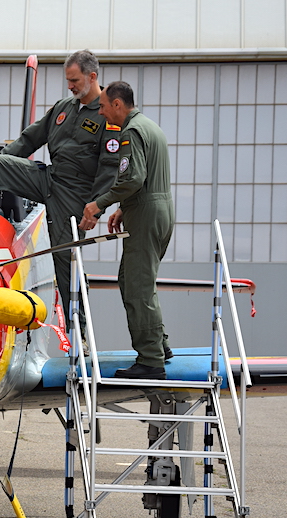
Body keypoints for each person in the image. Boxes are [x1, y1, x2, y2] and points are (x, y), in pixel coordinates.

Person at [0, 50, 119, 348]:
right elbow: (29, 140)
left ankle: (81, 334)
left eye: (74, 81)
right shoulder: (63, 108)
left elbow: (110, 169)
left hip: (75, 195)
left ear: (92, 77)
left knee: (65, 261)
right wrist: (0, 161)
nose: (70, 86)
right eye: (68, 81)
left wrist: (96, 208)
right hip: (48, 178)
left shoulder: (107, 116)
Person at [80, 81, 173, 379]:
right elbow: (146, 179)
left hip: (146, 215)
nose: (102, 113)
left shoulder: (130, 132)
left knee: (137, 286)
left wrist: (100, 204)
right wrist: (124, 207)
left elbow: (132, 178)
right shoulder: (150, 126)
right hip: (157, 209)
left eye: (104, 107)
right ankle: (160, 346)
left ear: (117, 105)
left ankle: (150, 360)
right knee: (135, 279)